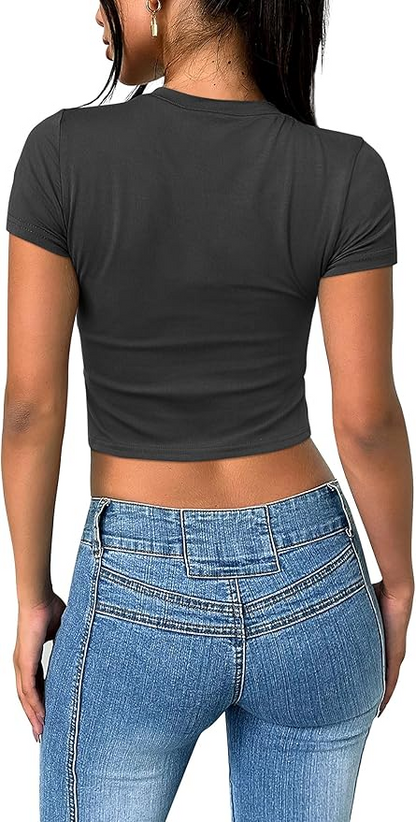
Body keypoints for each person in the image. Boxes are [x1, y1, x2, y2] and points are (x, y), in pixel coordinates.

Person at [2, 1, 413, 820]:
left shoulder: (61, 154)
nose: (98, 10)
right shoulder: (346, 169)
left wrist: (32, 596)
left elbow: (29, 410)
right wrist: (398, 583)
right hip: (317, 578)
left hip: (135, 589)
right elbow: (367, 421)